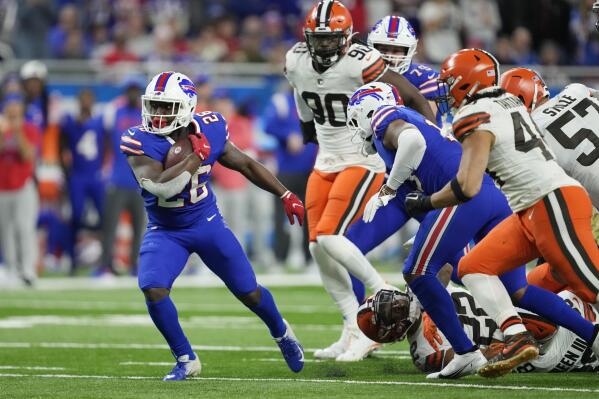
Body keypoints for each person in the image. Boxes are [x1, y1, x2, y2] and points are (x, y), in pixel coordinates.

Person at [404, 48, 599, 377]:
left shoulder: (473, 116)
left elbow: (467, 186)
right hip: (529, 209)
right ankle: (515, 335)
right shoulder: (508, 102)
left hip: (552, 203)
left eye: (450, 83)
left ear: (467, 84)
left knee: (593, 285)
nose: (446, 91)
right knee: (474, 267)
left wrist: (425, 203)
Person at [120, 71, 305, 380]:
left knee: (249, 293)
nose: (157, 113)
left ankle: (282, 332)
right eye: (154, 105)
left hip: (207, 224)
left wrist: (284, 192)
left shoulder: (211, 127)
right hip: (165, 230)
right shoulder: (138, 139)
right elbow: (161, 186)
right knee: (153, 288)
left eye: (166, 107)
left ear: (187, 106)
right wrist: (195, 157)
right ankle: (186, 359)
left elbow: (244, 163)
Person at [285, 0, 435, 361]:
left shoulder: (370, 64)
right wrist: (310, 133)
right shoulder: (295, 60)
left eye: (329, 39)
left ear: (348, 38)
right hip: (331, 160)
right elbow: (303, 97)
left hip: (380, 166)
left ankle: (387, 296)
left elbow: (415, 102)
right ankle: (355, 325)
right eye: (317, 39)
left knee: (331, 236)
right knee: (320, 247)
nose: (322, 46)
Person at [358, 285, 599, 374]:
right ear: (391, 331)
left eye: (392, 299)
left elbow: (442, 262)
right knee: (543, 323)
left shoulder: (422, 289)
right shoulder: (424, 353)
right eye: (392, 311)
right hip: (540, 347)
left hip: (523, 321)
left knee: (554, 278)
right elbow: (479, 361)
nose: (400, 302)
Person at [262, 87, 316, 269]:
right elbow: (268, 125)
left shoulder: (314, 99)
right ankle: (279, 258)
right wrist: (287, 136)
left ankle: (309, 259)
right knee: (280, 216)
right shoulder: (281, 100)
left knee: (311, 216)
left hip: (310, 168)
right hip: (285, 169)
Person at [99, 75, 147, 276]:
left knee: (140, 228)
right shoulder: (114, 111)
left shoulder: (147, 115)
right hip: (117, 179)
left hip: (140, 181)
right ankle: (105, 266)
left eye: (137, 90)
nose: (133, 94)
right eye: (130, 90)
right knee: (110, 225)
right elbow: (104, 141)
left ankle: (135, 266)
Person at [59, 88, 105, 274]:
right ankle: (72, 259)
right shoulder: (70, 121)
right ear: (78, 101)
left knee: (104, 216)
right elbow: (61, 146)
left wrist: (104, 167)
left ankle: (104, 260)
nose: (86, 103)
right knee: (76, 216)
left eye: (89, 99)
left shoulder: (100, 121)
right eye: (83, 99)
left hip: (95, 175)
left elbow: (107, 143)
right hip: (77, 175)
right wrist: (66, 172)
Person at [0, 94, 41, 286]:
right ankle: (11, 269)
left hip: (23, 184)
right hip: (2, 186)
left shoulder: (30, 129)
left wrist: (16, 132)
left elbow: (27, 155)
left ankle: (28, 270)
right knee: (5, 231)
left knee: (24, 228)